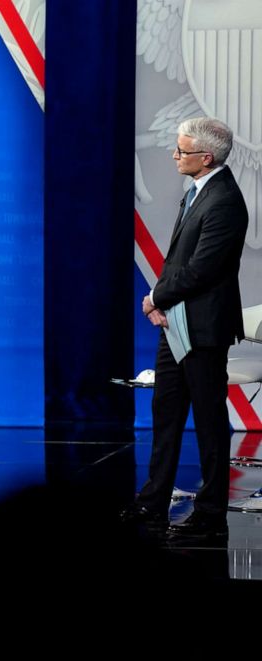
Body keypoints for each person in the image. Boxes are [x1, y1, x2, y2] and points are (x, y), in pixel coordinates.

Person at [121, 117, 248, 539]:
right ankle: (153, 503)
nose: (175, 156)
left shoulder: (224, 200)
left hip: (203, 327)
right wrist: (162, 303)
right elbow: (179, 263)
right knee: (166, 414)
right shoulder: (196, 192)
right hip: (174, 322)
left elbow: (202, 269)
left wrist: (156, 298)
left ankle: (211, 511)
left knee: (209, 421)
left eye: (182, 150)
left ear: (205, 157)